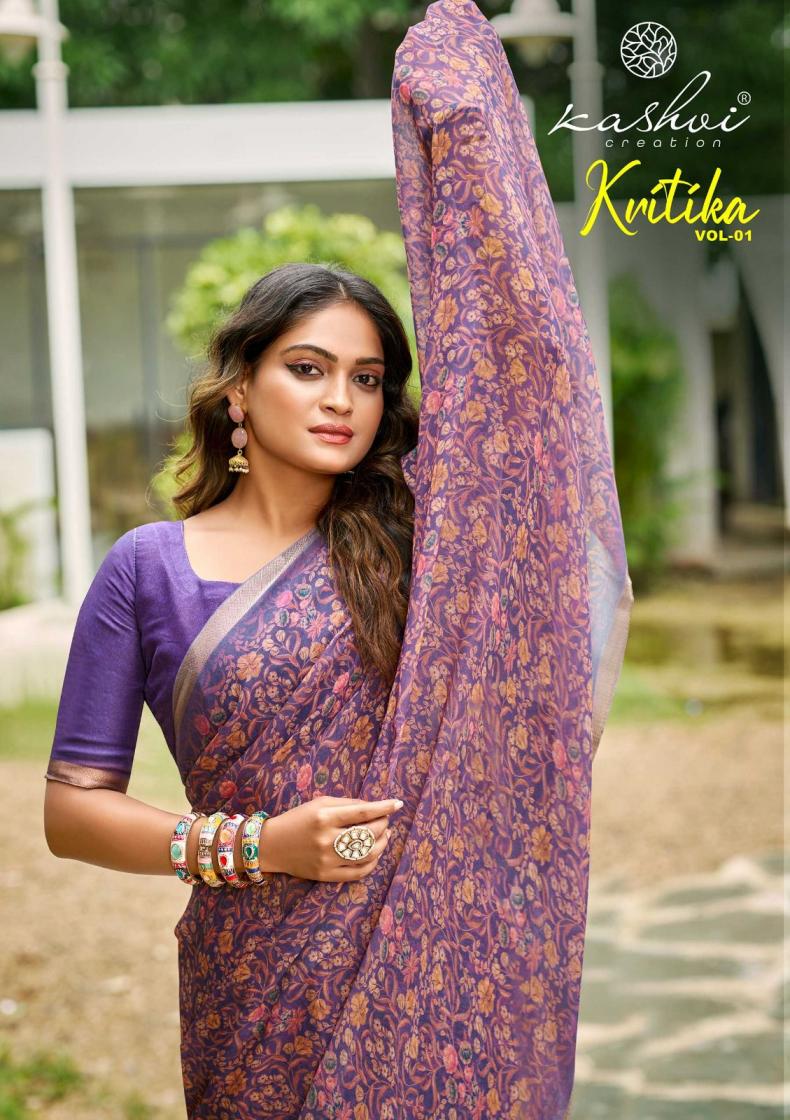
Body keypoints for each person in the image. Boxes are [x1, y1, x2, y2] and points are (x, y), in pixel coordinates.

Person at [44, 1, 633, 1117]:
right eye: (308, 368)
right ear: (238, 388)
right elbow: (72, 810)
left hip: (433, 964)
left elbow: (531, 395)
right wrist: (259, 845)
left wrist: (471, 137)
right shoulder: (147, 569)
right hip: (252, 985)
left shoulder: (422, 542)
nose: (342, 400)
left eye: (367, 379)